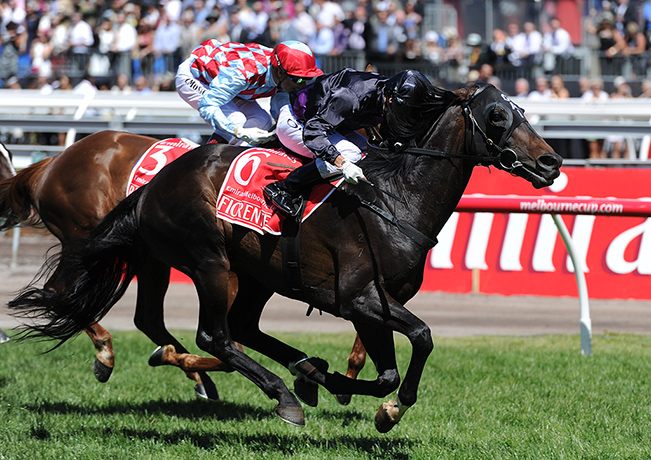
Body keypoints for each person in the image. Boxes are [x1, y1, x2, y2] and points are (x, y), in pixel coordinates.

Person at [263, 69, 447, 217]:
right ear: (391, 99)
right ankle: (285, 188)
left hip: (328, 122)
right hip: (299, 121)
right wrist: (341, 163)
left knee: (371, 151)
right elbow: (313, 132)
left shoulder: (386, 92)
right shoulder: (350, 97)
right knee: (351, 155)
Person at [175, 39, 322, 146]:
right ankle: (203, 158)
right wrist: (239, 132)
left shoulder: (282, 75)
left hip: (228, 84)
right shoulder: (243, 73)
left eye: (305, 79)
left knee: (262, 120)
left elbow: (281, 110)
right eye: (296, 79)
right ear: (279, 72)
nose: (301, 85)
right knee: (236, 120)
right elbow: (208, 106)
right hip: (195, 76)